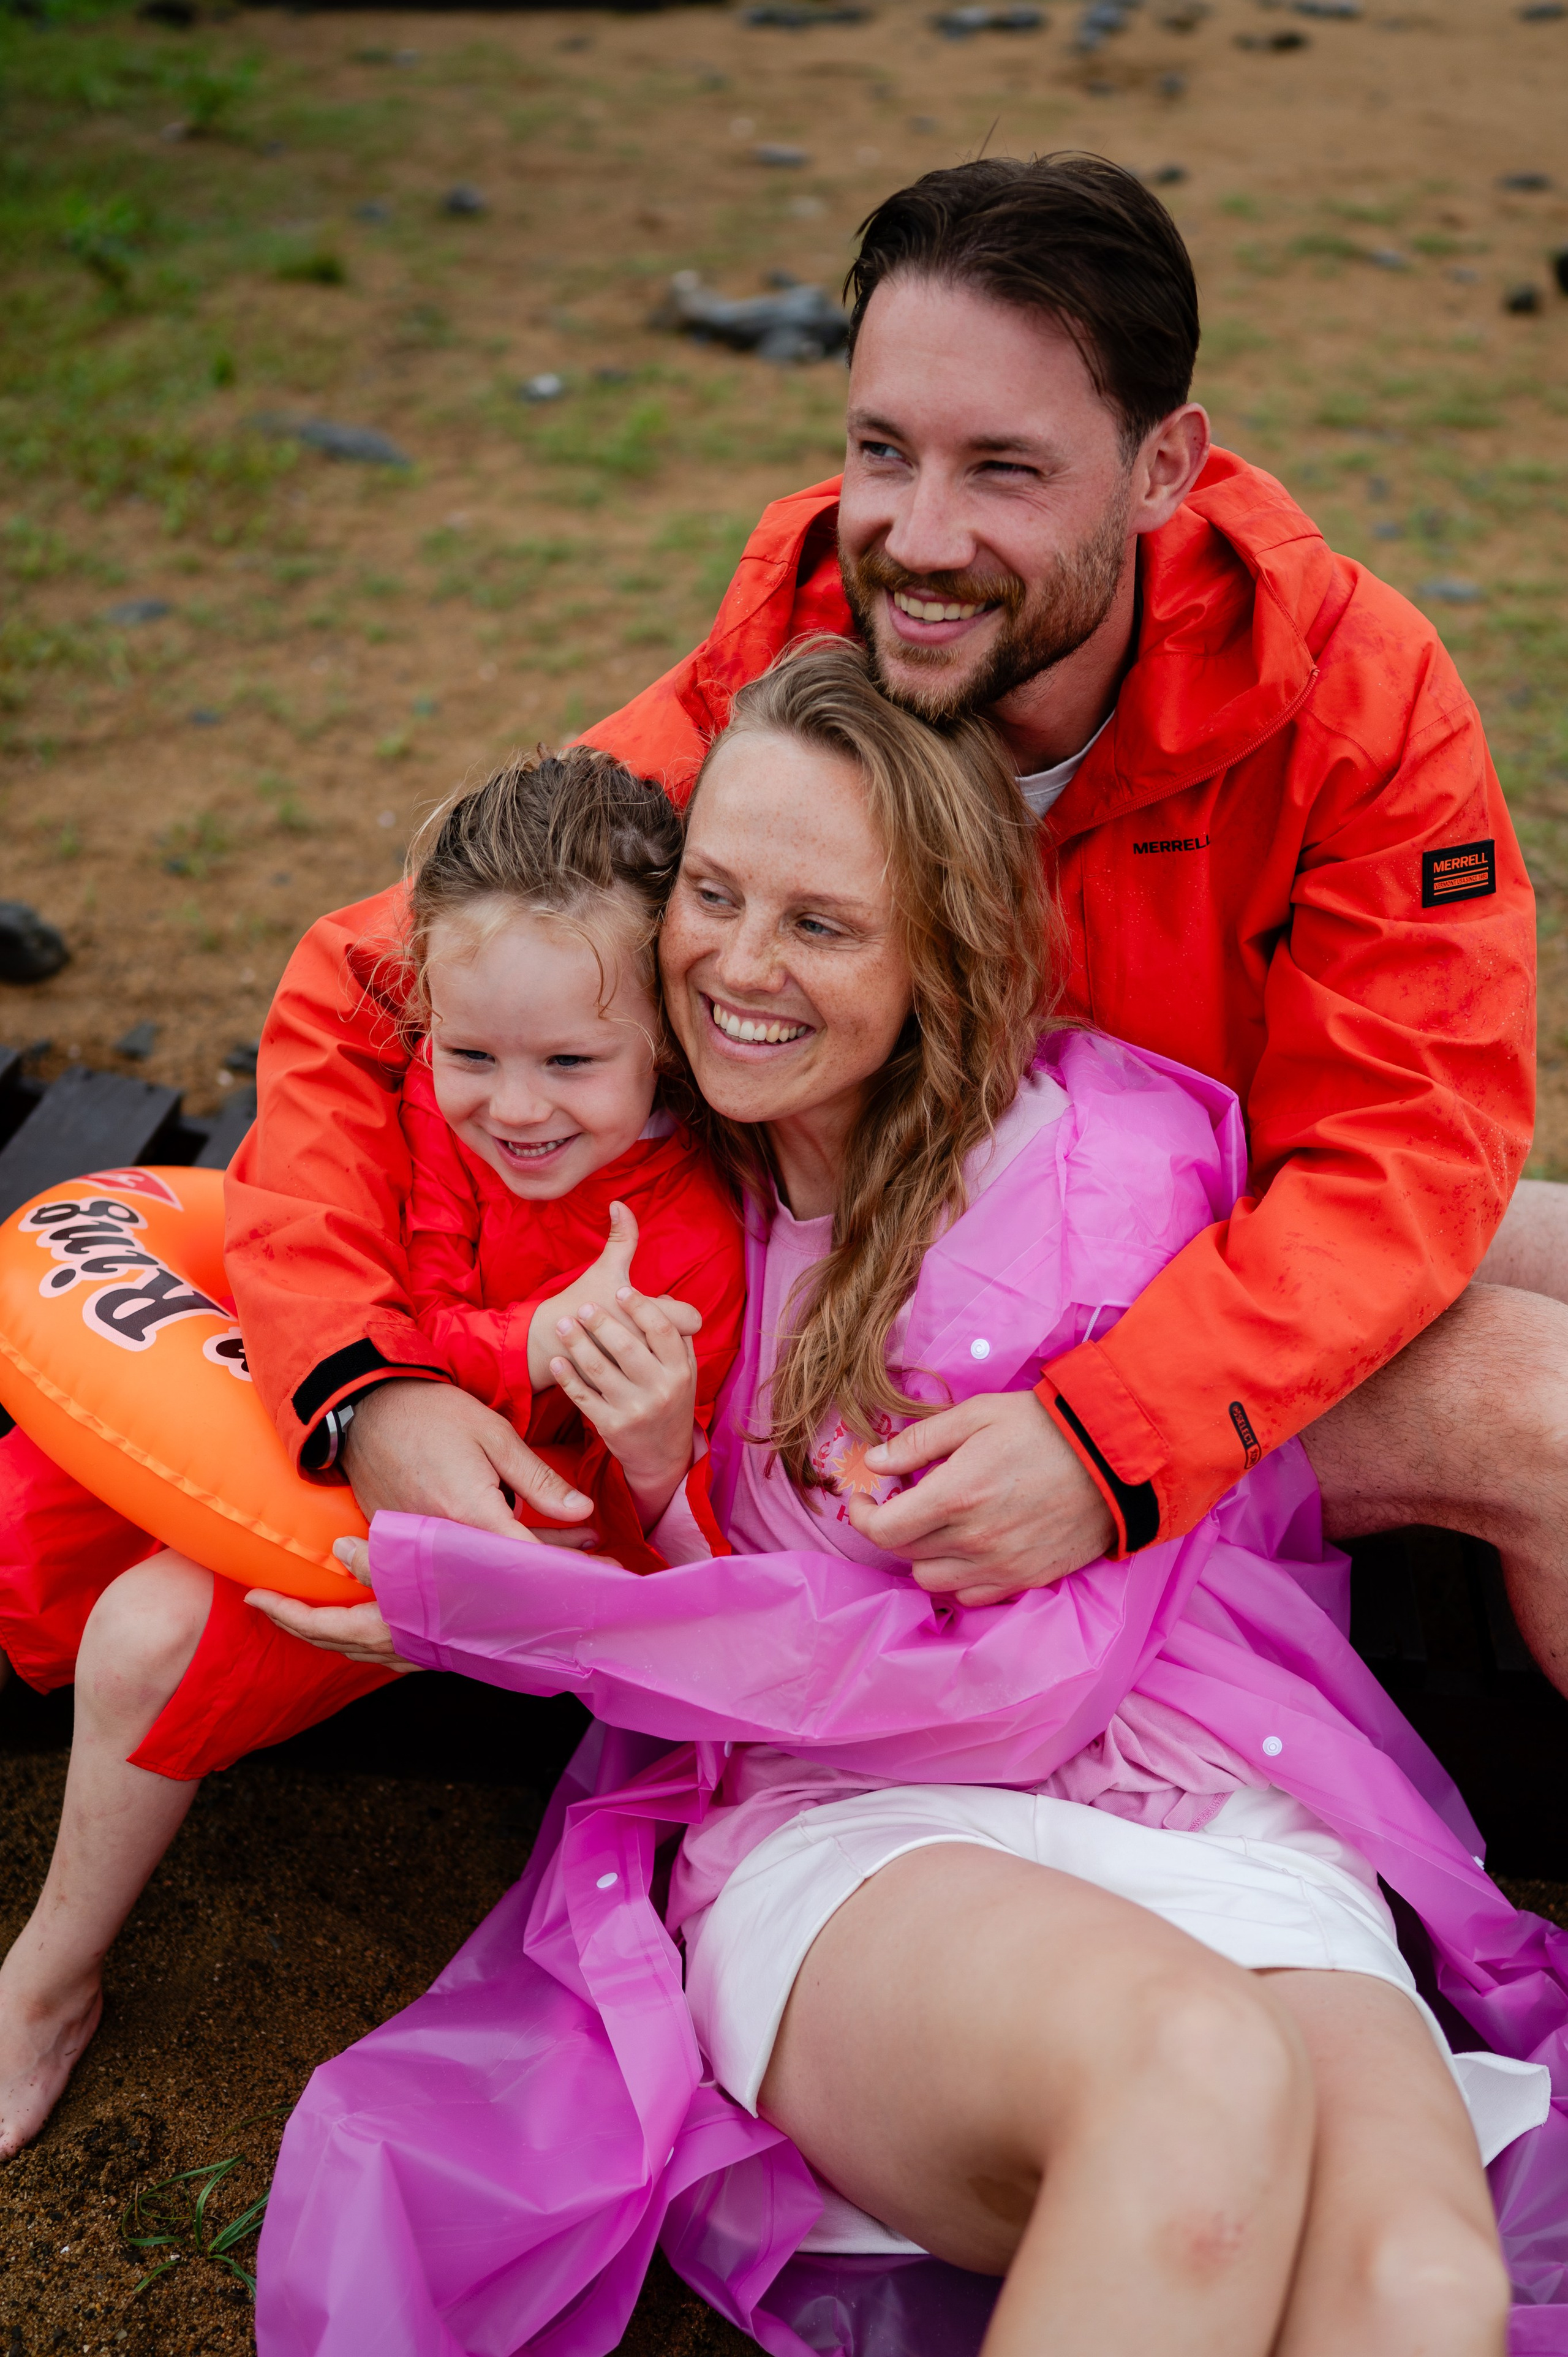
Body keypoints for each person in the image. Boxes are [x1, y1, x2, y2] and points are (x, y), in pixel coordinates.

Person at [252, 643, 1566, 2357]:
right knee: (1188, 2071)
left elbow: (1032, 1678)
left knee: (1421, 2286)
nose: (739, 965)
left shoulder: (1102, 1162)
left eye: (820, 923)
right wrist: (399, 1398)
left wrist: (545, 1619)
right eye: (713, 896)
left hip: (1183, 1783)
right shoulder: (637, 1147)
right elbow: (374, 990)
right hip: (856, 1822)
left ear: (937, 948)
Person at [218, 152, 1567, 1689]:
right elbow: (366, 980)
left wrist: (1110, 1437)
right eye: (881, 450)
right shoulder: (797, 676)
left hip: (1156, 1270)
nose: (919, 538)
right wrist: (364, 1387)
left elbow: (1405, 1146)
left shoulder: (1346, 696)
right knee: (1537, 1409)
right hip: (862, 1330)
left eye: (1003, 469)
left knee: (1539, 1242)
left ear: (1161, 470)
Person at [0, 747, 744, 2157]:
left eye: (571, 1063)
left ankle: (46, 1980)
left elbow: (619, 1538)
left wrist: (648, 1445)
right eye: (472, 1055)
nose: (514, 1107)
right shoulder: (402, 1110)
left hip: (471, 1561)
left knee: (148, 1632)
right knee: (37, 1522)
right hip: (309, 1430)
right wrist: (513, 1345)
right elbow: (361, 1300)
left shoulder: (686, 1240)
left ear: (664, 1033)